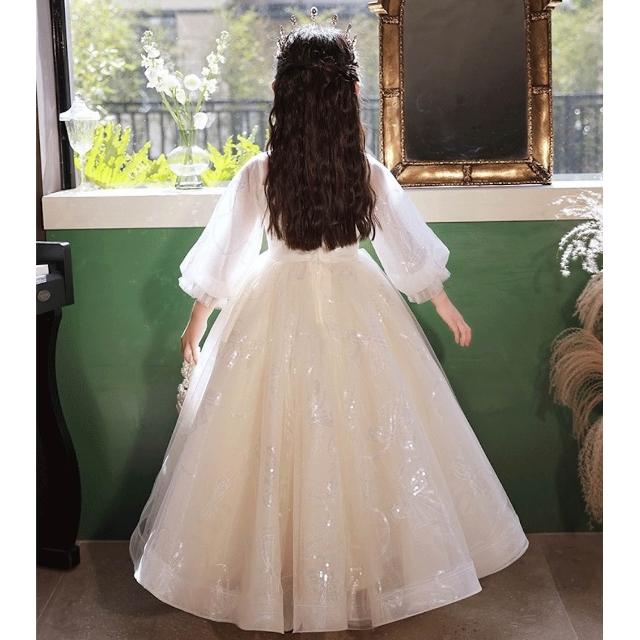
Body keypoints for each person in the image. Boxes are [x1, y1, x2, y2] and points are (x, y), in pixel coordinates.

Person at [130, 17, 528, 634]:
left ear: (281, 95)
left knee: (281, 433)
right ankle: (345, 569)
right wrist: (441, 304)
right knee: (359, 430)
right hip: (356, 303)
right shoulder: (359, 171)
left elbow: (226, 260)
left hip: (276, 303)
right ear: (350, 96)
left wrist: (197, 323)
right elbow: (404, 251)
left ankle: (295, 571)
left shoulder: (263, 172)